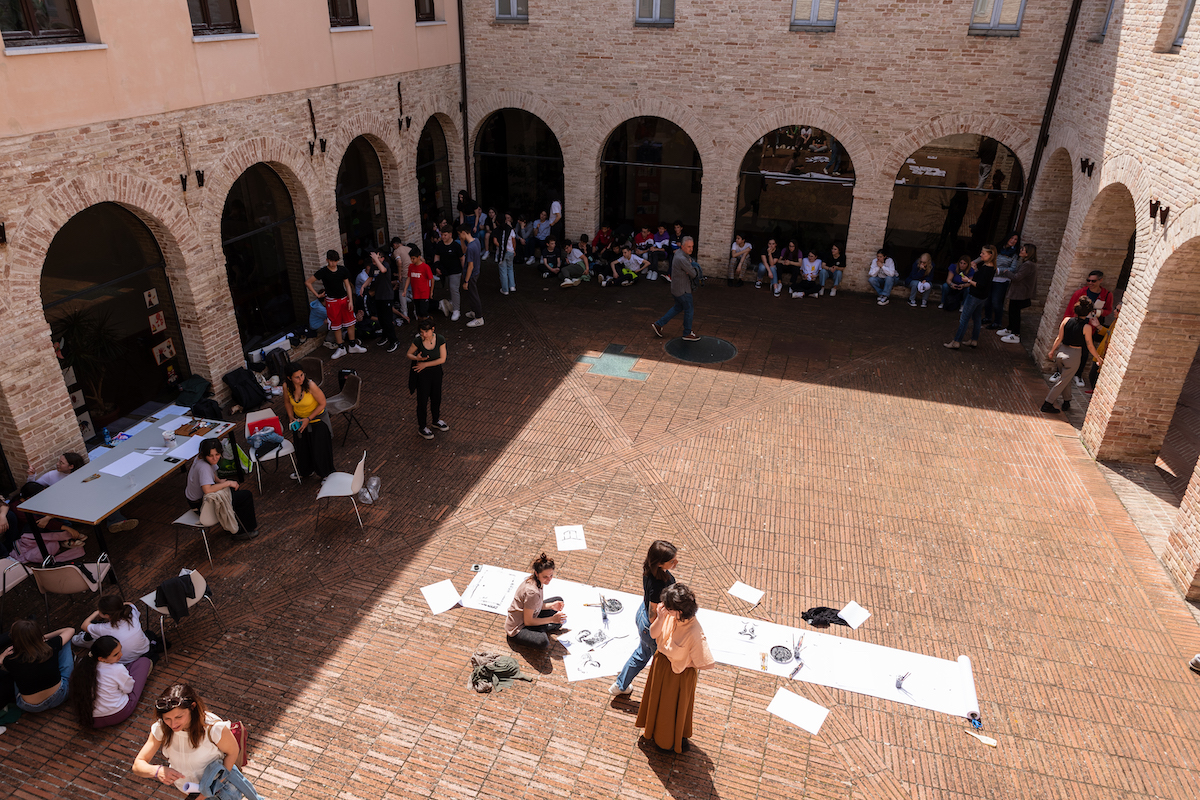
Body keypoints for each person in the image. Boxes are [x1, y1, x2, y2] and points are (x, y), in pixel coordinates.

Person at [133, 682, 263, 799]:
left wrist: (209, 789)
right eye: (167, 719)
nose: (173, 724)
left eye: (179, 717)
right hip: (189, 791)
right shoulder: (161, 728)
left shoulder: (213, 728)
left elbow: (233, 753)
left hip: (220, 791)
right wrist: (157, 771)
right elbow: (138, 765)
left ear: (193, 707)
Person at [633, 584, 715, 754]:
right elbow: (654, 634)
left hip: (678, 676)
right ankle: (657, 733)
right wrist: (661, 618)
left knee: (669, 711)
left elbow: (707, 663)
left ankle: (666, 742)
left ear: (680, 610)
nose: (664, 608)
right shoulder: (669, 615)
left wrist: (686, 662)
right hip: (661, 665)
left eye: (668, 608)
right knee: (658, 703)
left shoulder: (694, 632)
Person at [610, 541, 678, 697]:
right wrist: (662, 632)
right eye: (672, 561)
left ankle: (620, 685)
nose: (676, 563)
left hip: (642, 613)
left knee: (642, 653)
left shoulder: (650, 570)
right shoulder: (658, 585)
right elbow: (654, 615)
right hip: (650, 625)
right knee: (660, 662)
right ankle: (658, 696)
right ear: (660, 563)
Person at [26, 452, 138, 534]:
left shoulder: (83, 474)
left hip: (86, 503)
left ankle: (116, 522)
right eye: (59, 461)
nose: (57, 464)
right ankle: (114, 521)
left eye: (61, 462)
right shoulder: (51, 476)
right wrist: (31, 476)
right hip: (69, 510)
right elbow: (32, 489)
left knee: (107, 498)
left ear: (71, 467)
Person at [70, 635, 152, 728]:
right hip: (118, 714)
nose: (121, 655)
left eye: (120, 650)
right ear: (101, 658)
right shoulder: (117, 669)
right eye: (115, 654)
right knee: (144, 662)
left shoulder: (82, 666)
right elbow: (129, 690)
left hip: (91, 719)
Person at [185, 438, 258, 541]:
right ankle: (243, 531)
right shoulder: (204, 467)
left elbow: (212, 473)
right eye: (211, 456)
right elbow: (207, 489)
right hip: (201, 505)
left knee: (233, 492)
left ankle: (233, 522)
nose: (215, 458)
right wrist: (227, 483)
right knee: (246, 495)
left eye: (217, 455)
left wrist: (219, 481)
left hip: (193, 500)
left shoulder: (200, 458)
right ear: (205, 454)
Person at [1042, 297, 1102, 414]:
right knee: (1062, 381)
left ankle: (1067, 401)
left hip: (1061, 353)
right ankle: (1047, 403)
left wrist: (1052, 351)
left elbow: (1059, 338)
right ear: (1089, 313)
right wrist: (1098, 358)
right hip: (1073, 355)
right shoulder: (1087, 327)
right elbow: (1090, 346)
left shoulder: (1066, 320)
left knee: (1066, 378)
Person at [1, 619, 75, 713]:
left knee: (16, 673)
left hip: (28, 707)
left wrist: (3, 656)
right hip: (59, 697)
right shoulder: (51, 646)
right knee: (65, 642)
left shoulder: (9, 660)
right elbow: (70, 630)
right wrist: (42, 639)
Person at [307, 250, 366, 361]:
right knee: (336, 325)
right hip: (331, 301)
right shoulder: (323, 271)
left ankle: (353, 345)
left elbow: (347, 285)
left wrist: (350, 301)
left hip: (344, 299)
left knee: (350, 322)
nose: (333, 263)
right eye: (331, 261)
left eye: (335, 261)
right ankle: (341, 347)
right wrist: (317, 295)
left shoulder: (343, 270)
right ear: (327, 260)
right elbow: (308, 282)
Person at [1061, 270, 1114, 389]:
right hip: (1077, 325)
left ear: (1100, 280)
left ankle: (1078, 375)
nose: (1090, 283)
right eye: (1088, 280)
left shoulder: (1106, 294)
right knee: (1067, 349)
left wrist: (1098, 312)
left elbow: (1108, 310)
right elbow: (1070, 309)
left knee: (1084, 352)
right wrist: (1067, 324)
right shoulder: (1080, 293)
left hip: (1091, 327)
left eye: (1093, 281)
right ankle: (1060, 371)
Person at [283, 364, 334, 480]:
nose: (301, 379)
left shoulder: (311, 385)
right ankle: (305, 471)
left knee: (319, 449)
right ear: (289, 378)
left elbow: (322, 403)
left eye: (302, 375)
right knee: (301, 448)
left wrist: (309, 419)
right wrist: (291, 416)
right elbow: (287, 402)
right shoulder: (286, 386)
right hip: (300, 420)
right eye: (297, 377)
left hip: (317, 420)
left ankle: (326, 474)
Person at [505, 552, 566, 649]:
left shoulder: (537, 581)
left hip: (530, 615)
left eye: (551, 575)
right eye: (545, 577)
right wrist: (552, 619)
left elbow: (535, 605)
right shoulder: (532, 592)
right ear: (537, 573)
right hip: (519, 628)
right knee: (543, 642)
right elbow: (528, 621)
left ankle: (544, 625)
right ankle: (544, 626)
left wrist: (551, 606)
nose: (549, 579)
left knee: (558, 600)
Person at [71, 592, 152, 664]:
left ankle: (83, 640)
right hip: (145, 649)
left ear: (106, 615)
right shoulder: (131, 611)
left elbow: (84, 625)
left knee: (94, 625)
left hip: (124, 660)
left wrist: (95, 613)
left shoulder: (105, 629)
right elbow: (128, 603)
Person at [945, 245, 997, 349]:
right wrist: (976, 270)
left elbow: (980, 284)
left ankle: (956, 341)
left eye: (983, 253)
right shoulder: (991, 267)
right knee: (977, 318)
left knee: (964, 319)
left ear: (990, 255)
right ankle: (974, 340)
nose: (980, 255)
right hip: (982, 297)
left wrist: (968, 281)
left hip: (975, 296)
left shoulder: (987, 268)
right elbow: (982, 280)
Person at [651, 236, 701, 342]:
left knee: (678, 308)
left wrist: (690, 266)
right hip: (683, 290)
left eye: (692, 246)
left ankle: (659, 324)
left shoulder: (679, 253)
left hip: (676, 289)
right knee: (689, 309)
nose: (691, 249)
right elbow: (693, 274)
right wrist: (693, 268)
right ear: (682, 246)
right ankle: (687, 333)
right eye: (688, 247)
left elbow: (689, 266)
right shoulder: (682, 259)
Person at [407, 318, 449, 440]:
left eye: (426, 332)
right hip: (422, 375)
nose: (424, 335)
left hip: (435, 373)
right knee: (422, 400)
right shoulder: (418, 340)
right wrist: (417, 358)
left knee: (436, 397)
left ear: (432, 330)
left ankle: (435, 420)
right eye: (422, 332)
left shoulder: (440, 339)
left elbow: (442, 359)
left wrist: (425, 364)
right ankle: (422, 426)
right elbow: (409, 354)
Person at [998, 243, 1038, 344]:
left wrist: (1006, 272)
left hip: (1020, 294)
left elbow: (1017, 277)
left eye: (1023, 250)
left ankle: (1015, 334)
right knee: (1012, 311)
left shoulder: (1028, 265)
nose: (1021, 251)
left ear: (1028, 253)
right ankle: (1010, 329)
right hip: (1018, 293)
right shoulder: (1026, 264)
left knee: (1015, 313)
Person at [363, 248, 399, 352]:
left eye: (377, 258)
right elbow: (370, 278)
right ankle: (385, 336)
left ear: (382, 258)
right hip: (378, 296)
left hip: (386, 296)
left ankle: (394, 340)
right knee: (381, 319)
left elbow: (383, 270)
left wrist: (376, 259)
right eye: (373, 259)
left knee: (387, 320)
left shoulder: (385, 265)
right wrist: (363, 287)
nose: (374, 260)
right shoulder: (374, 267)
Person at [984, 233, 1020, 329]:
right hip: (990, 277)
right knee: (987, 299)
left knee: (996, 301)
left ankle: (997, 322)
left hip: (1002, 280)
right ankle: (987, 317)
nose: (1013, 240)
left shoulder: (1015, 254)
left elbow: (1013, 268)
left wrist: (999, 270)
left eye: (1016, 239)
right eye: (1012, 238)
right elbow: (988, 256)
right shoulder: (998, 248)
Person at [433, 225, 463, 321]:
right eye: (442, 235)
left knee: (454, 289)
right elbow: (437, 257)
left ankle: (456, 310)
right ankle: (452, 303)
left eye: (445, 235)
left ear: (450, 235)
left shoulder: (456, 246)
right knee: (448, 288)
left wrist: (464, 272)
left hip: (455, 271)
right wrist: (436, 267)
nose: (443, 237)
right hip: (444, 271)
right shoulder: (440, 245)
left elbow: (462, 258)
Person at [458, 226, 485, 327]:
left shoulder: (471, 247)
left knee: (474, 296)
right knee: (472, 294)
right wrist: (461, 241)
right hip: (475, 273)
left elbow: (470, 266)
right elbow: (464, 251)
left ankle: (479, 317)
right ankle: (475, 312)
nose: (459, 236)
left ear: (464, 232)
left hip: (471, 275)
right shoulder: (476, 241)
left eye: (460, 234)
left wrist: (466, 281)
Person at [402, 245, 434, 318]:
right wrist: (405, 290)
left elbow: (431, 279)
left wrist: (431, 291)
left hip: (424, 293)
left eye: (413, 258)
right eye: (411, 258)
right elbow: (409, 278)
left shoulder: (425, 267)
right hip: (415, 293)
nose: (412, 260)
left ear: (419, 257)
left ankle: (427, 323)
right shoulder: (411, 266)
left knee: (424, 312)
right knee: (418, 312)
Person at [495, 212, 519, 295]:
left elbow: (495, 241)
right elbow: (513, 241)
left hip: (502, 253)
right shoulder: (510, 229)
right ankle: (512, 286)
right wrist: (514, 250)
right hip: (510, 252)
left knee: (503, 271)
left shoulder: (497, 230)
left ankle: (505, 289)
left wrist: (502, 247)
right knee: (510, 268)